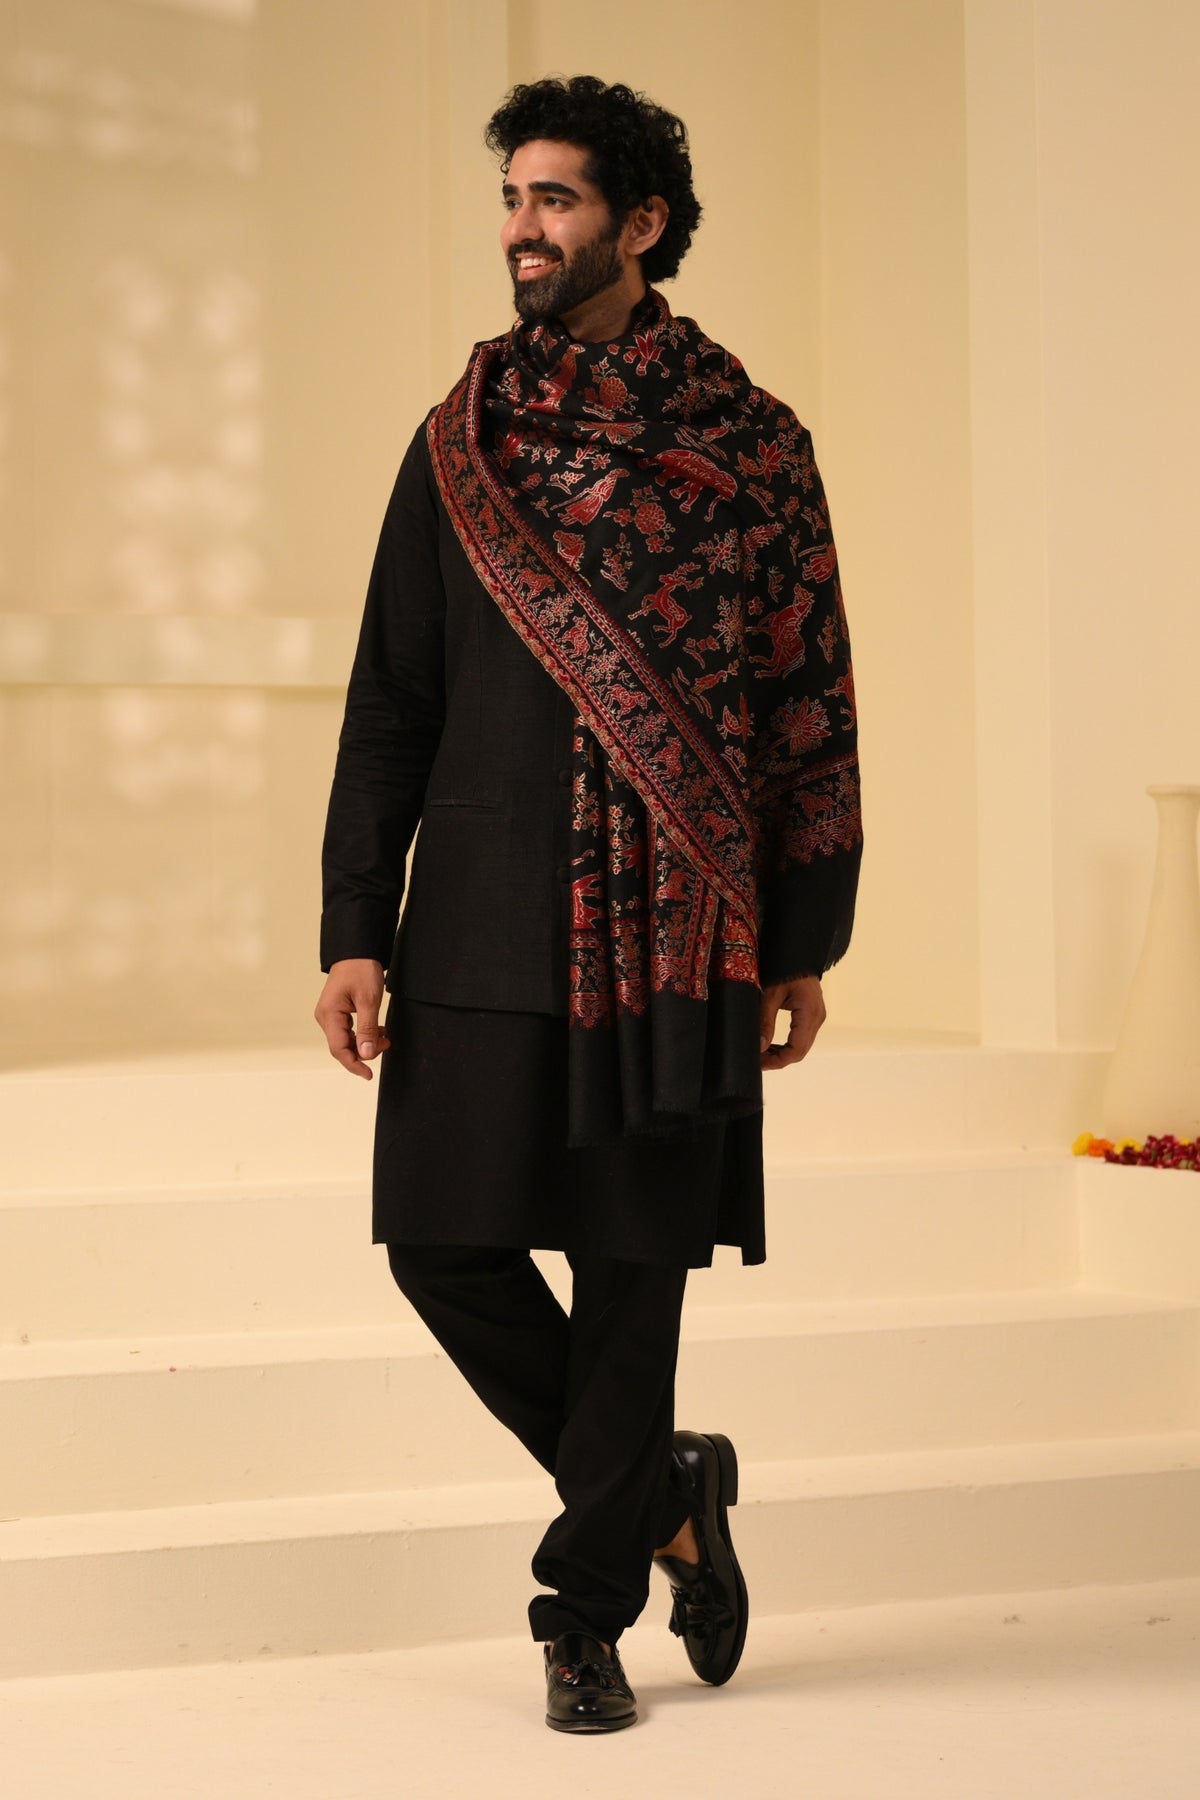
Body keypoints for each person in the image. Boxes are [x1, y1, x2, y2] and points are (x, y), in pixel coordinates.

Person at [314, 73, 863, 1734]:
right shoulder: (460, 441)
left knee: (632, 1272)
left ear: (643, 223)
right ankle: (670, 1493)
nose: (523, 230)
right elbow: (392, 698)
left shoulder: (752, 446)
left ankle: (584, 1613)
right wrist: (355, 923)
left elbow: (807, 700)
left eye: (554, 200)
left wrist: (806, 937)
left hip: (679, 922)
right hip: (482, 904)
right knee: (442, 1244)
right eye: (513, 199)